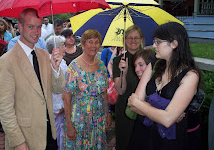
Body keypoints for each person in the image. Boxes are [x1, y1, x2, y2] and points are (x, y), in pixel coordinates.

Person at [0, 8, 65, 150]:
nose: (36, 31)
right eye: (31, 26)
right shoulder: (7, 61)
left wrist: (56, 69)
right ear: (20, 27)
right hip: (26, 136)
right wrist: (18, 141)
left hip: (49, 132)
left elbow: (57, 89)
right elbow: (4, 107)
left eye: (39, 27)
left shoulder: (44, 54)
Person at [128, 22, 200, 150]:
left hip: (168, 141)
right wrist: (163, 113)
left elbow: (166, 120)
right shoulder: (154, 65)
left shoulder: (190, 76)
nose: (154, 45)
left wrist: (140, 104)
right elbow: (132, 106)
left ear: (174, 43)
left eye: (158, 42)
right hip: (143, 134)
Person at [62, 29, 111, 149]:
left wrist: (108, 113)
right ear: (83, 45)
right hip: (79, 120)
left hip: (98, 119)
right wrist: (69, 124)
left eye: (96, 42)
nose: (93, 46)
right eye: (90, 42)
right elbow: (66, 98)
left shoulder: (101, 66)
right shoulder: (73, 68)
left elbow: (104, 93)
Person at [112, 25, 144, 150]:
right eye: (129, 38)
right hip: (124, 109)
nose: (133, 40)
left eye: (136, 37)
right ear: (124, 40)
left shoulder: (149, 58)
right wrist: (123, 74)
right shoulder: (118, 61)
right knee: (125, 143)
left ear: (141, 39)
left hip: (144, 109)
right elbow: (120, 90)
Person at [46, 35, 67, 150]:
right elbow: (56, 88)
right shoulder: (51, 63)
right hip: (57, 105)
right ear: (55, 49)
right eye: (62, 46)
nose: (65, 48)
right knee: (59, 133)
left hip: (62, 104)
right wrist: (61, 106)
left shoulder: (62, 61)